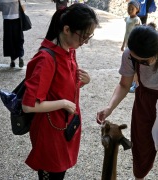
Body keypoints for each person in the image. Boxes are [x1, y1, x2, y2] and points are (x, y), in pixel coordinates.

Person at [97, 24, 158, 180]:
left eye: (143, 62)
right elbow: (124, 84)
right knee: (141, 148)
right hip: (144, 103)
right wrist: (109, 108)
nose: (139, 64)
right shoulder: (131, 54)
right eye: (137, 61)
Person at [21, 3, 98, 179]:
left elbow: (60, 88)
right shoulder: (46, 59)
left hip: (64, 128)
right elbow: (29, 105)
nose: (85, 42)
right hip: (50, 134)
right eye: (83, 36)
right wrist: (63, 103)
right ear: (66, 29)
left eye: (89, 36)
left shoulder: (69, 51)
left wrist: (82, 82)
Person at [122, 0, 141, 93]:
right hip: (128, 45)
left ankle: (135, 83)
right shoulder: (127, 19)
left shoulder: (137, 20)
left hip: (134, 45)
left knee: (135, 65)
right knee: (129, 65)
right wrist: (123, 44)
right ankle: (130, 82)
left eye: (132, 8)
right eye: (128, 8)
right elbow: (126, 33)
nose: (129, 10)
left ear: (137, 10)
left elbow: (138, 34)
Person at [0, 0, 25, 68]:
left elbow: (0, 8)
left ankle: (12, 61)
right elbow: (23, 7)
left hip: (6, 19)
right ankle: (20, 57)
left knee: (10, 40)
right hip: (17, 18)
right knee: (19, 38)